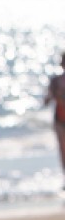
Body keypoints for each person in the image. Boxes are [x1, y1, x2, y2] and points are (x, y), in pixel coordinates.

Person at [44, 51, 65, 188]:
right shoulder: (55, 81)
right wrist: (55, 95)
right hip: (60, 119)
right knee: (63, 150)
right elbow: (46, 101)